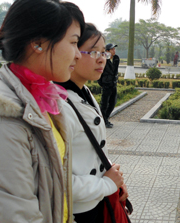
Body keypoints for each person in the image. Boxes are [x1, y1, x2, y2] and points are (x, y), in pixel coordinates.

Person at [0, 0, 85, 223]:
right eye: (73, 42)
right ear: (38, 44)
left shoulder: (41, 98)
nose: (79, 55)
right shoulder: (3, 116)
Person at [57, 23, 128, 223]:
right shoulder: (57, 103)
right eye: (92, 51)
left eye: (104, 52)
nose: (101, 59)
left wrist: (114, 179)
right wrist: (107, 185)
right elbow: (56, 180)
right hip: (75, 211)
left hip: (96, 201)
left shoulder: (84, 92)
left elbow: (95, 147)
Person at [98, 43, 119, 128]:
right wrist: (101, 83)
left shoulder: (116, 58)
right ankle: (103, 121)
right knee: (104, 104)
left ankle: (106, 118)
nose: (114, 51)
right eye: (112, 49)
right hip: (106, 85)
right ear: (107, 51)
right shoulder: (103, 59)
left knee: (112, 103)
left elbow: (115, 71)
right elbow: (99, 72)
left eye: (114, 49)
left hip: (113, 84)